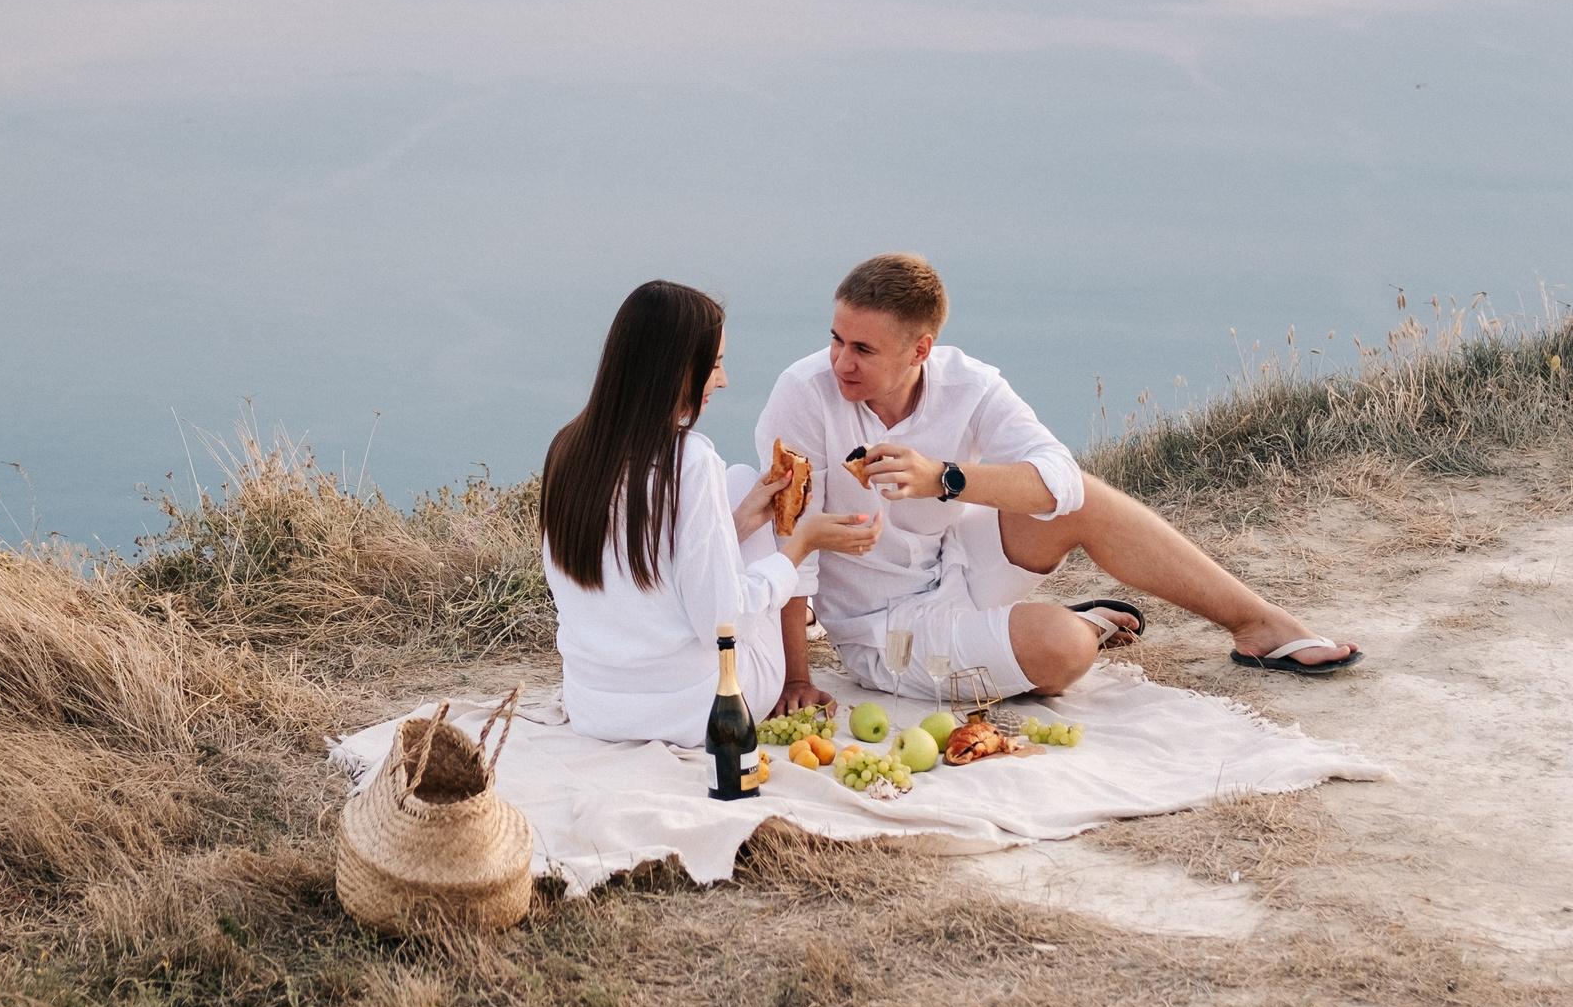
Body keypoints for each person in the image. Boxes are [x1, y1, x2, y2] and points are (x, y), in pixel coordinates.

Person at [756, 253, 1362, 715]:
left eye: (863, 348)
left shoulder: (970, 384)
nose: (841, 362)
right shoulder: (804, 396)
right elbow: (788, 543)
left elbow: (1059, 483)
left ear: (921, 349)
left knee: (1085, 497)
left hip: (960, 561)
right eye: (836, 339)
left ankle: (1257, 624)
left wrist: (943, 478)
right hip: (882, 624)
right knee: (1062, 650)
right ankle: (1079, 626)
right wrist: (796, 679)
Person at [542, 279, 884, 748]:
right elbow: (722, 622)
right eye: (716, 364)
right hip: (701, 710)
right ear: (678, 369)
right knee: (744, 488)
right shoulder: (690, 460)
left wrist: (739, 521)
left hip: (596, 706)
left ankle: (749, 527)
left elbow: (645, 567)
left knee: (744, 485)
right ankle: (794, 661)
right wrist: (801, 545)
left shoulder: (566, 449)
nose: (722, 380)